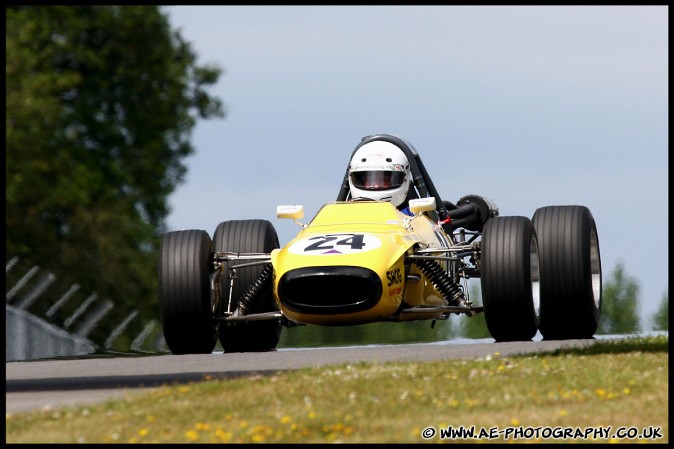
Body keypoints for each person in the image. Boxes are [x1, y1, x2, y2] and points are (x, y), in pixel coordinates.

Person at [347, 140, 416, 215]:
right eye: (370, 181)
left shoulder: (417, 216)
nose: (376, 185)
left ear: (404, 178)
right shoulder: (344, 215)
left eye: (384, 180)